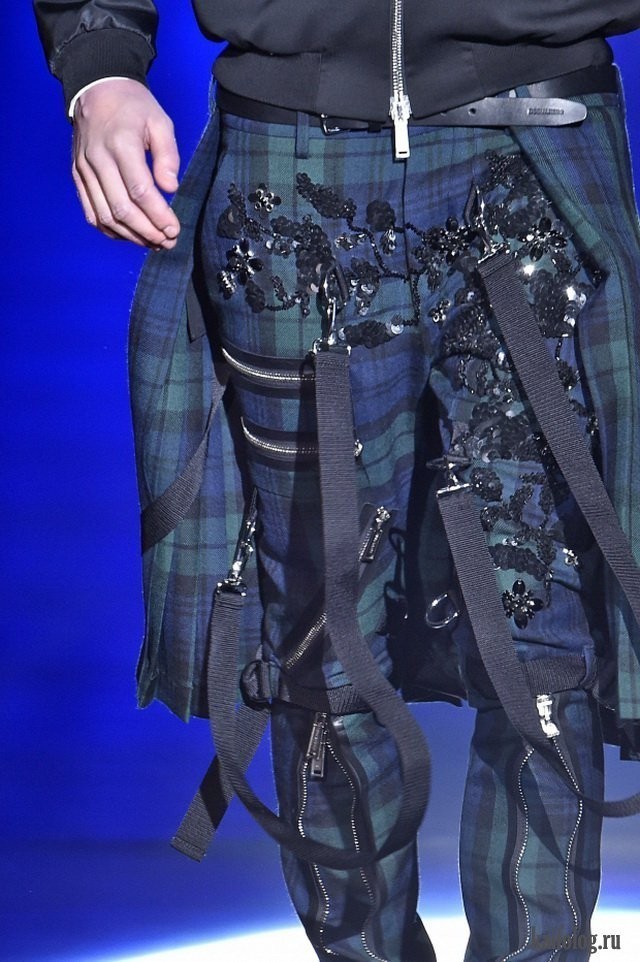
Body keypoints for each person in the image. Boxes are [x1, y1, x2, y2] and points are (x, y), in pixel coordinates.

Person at [34, 3, 640, 960]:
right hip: (294, 161)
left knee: (540, 634)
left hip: (537, 128)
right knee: (324, 637)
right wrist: (99, 62)